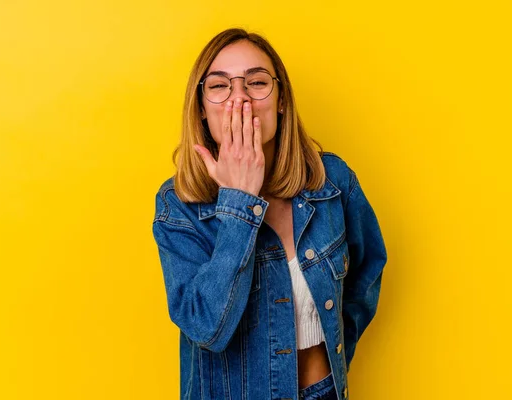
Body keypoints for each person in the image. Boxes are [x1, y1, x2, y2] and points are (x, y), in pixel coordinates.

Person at [152, 28, 387, 400]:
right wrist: (239, 201)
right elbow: (206, 328)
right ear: (201, 108)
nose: (240, 98)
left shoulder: (332, 182)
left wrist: (334, 357)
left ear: (280, 100)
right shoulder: (178, 205)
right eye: (219, 86)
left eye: (257, 82)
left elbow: (366, 274)